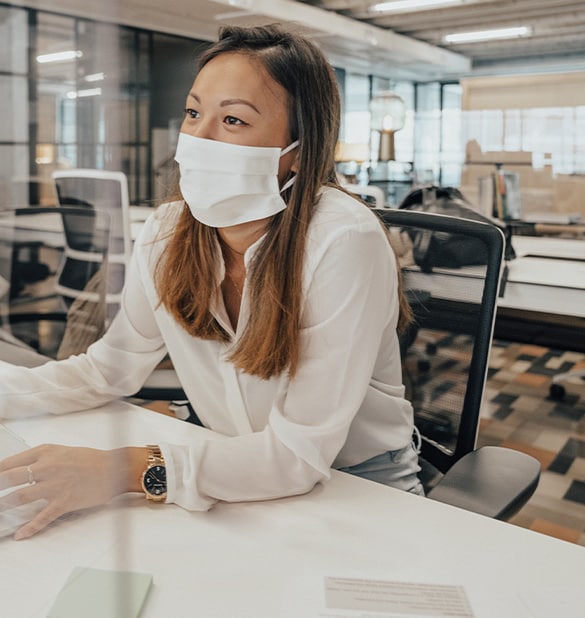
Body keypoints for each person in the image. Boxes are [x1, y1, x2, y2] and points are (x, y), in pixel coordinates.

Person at [0, 23, 423, 540]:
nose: (197, 139)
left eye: (233, 120)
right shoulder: (167, 230)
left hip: (355, 485)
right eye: (194, 113)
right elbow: (107, 371)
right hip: (228, 467)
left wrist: (117, 471)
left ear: (297, 147)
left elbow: (296, 456)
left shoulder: (343, 240)